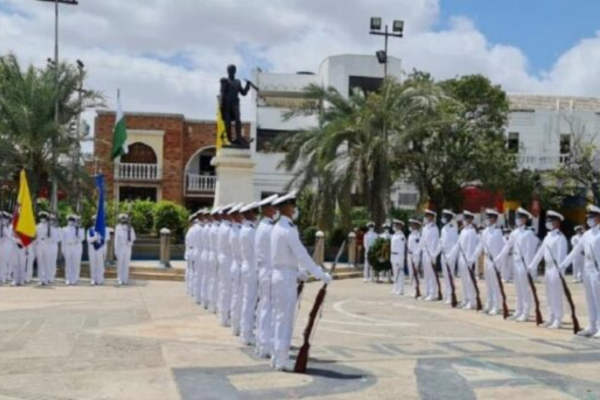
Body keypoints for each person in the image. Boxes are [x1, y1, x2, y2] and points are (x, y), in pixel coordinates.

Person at [270, 191, 332, 371]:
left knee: (278, 317)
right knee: (286, 319)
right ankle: (282, 360)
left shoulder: (276, 228)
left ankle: (276, 356)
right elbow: (302, 255)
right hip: (285, 277)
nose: (295, 210)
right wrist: (320, 274)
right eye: (294, 207)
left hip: (280, 274)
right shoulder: (288, 230)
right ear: (288, 208)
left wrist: (299, 272)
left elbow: (284, 256)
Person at [560, 205, 600, 337]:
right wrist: (564, 264)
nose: (589, 220)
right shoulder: (587, 234)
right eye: (588, 217)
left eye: (592, 217)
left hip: (598, 270)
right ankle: (592, 325)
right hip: (587, 270)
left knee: (598, 299)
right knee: (590, 298)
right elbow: (576, 250)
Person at [495, 208, 537, 322]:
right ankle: (519, 310)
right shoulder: (514, 233)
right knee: (518, 288)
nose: (518, 220)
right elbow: (507, 246)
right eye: (517, 217)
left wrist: (529, 266)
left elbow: (530, 251)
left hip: (524, 263)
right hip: (515, 261)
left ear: (525, 219)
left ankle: (526, 311)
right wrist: (499, 257)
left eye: (520, 217)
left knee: (525, 288)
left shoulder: (528, 233)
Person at [528, 210, 568, 329]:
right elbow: (540, 252)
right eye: (547, 220)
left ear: (557, 222)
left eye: (550, 221)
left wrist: (560, 272)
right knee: (549, 295)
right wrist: (532, 265)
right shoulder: (548, 236)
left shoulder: (561, 238)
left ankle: (558, 319)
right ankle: (550, 317)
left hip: (556, 269)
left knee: (556, 295)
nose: (548, 223)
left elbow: (562, 257)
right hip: (548, 268)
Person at [255, 194, 279, 358]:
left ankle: (261, 343)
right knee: (269, 308)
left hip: (262, 269)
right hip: (270, 270)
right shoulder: (269, 228)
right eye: (274, 207)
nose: (277, 210)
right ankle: (266, 344)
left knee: (263, 306)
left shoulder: (260, 226)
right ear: (269, 209)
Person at [471, 209, 505, 315]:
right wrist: (472, 258)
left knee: (495, 285)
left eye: (490, 218)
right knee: (488, 284)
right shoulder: (485, 231)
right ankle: (488, 305)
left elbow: (501, 248)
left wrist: (498, 261)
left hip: (494, 261)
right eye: (487, 218)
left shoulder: (498, 232)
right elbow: (480, 246)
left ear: (495, 219)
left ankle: (496, 306)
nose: (488, 220)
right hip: (486, 260)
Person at [449, 211, 479, 309]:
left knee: (469, 280)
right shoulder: (463, 231)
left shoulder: (472, 231)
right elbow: (458, 245)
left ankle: (472, 301)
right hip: (461, 259)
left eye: (466, 219)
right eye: (464, 219)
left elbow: (472, 246)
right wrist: (451, 255)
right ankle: (466, 299)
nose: (464, 221)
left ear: (470, 220)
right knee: (464, 281)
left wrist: (471, 259)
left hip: (468, 259)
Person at [239, 202, 259, 345]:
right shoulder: (250, 231)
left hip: (246, 265)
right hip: (252, 267)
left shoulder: (244, 229)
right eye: (255, 213)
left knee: (247, 299)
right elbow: (257, 252)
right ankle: (246, 333)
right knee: (250, 301)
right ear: (251, 214)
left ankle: (244, 331)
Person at [217, 204, 235, 326]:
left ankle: (223, 315)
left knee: (224, 287)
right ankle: (225, 316)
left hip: (223, 258)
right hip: (228, 259)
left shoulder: (222, 227)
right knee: (228, 289)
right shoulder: (228, 229)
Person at [229, 203, 245, 336]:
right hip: (240, 265)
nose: (242, 216)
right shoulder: (238, 231)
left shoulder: (234, 230)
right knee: (239, 297)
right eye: (239, 214)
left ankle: (235, 324)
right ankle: (237, 326)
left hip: (235, 264)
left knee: (236, 295)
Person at [438, 210, 459, 305]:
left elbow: (456, 244)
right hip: (444, 255)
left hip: (450, 255)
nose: (443, 218)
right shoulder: (443, 229)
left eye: (444, 216)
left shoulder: (453, 229)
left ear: (449, 218)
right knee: (445, 276)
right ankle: (446, 295)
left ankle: (451, 296)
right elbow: (441, 243)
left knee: (450, 276)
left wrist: (451, 255)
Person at [420, 209, 441, 301]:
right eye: (426, 216)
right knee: (426, 274)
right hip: (424, 253)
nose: (427, 217)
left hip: (431, 254)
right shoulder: (425, 228)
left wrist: (433, 255)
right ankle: (427, 292)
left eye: (429, 216)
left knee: (432, 274)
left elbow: (434, 242)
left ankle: (433, 293)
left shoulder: (434, 228)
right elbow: (422, 240)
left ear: (433, 217)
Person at [62, 214, 85, 286]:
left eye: (72, 220)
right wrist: (63, 249)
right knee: (68, 264)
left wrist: (79, 228)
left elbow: (82, 238)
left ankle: (75, 279)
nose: (70, 222)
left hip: (77, 247)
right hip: (68, 247)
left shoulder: (79, 228)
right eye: (69, 220)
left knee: (76, 263)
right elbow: (63, 240)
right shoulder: (64, 229)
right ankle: (68, 279)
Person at [114, 214, 136, 286]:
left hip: (127, 247)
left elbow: (133, 237)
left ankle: (125, 279)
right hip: (120, 247)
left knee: (126, 264)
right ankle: (119, 279)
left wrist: (130, 242)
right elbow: (116, 240)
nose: (123, 220)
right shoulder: (117, 228)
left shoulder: (130, 228)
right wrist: (116, 250)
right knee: (120, 264)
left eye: (124, 219)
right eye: (122, 219)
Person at [87, 215, 109, 286]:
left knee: (100, 265)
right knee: (93, 264)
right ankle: (93, 279)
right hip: (92, 249)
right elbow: (89, 240)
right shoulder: (90, 230)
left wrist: (105, 252)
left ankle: (100, 279)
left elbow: (105, 241)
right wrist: (95, 237)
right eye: (94, 221)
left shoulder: (104, 229)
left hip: (100, 249)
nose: (95, 222)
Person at [35, 211, 53, 286]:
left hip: (47, 244)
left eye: (44, 218)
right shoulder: (37, 226)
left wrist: (48, 238)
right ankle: (40, 279)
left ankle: (46, 279)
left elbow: (52, 237)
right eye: (41, 218)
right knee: (40, 262)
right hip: (39, 244)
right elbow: (35, 236)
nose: (42, 219)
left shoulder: (49, 227)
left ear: (46, 219)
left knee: (47, 262)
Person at [406, 219, 422, 297]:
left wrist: (415, 256)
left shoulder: (417, 235)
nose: (411, 226)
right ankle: (412, 289)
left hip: (415, 256)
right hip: (410, 255)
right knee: (411, 273)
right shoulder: (411, 234)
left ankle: (416, 289)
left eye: (413, 224)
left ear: (416, 226)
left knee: (415, 273)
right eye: (411, 224)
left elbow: (418, 248)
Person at [185, 212, 199, 297]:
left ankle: (190, 289)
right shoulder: (194, 230)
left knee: (190, 272)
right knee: (194, 272)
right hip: (194, 252)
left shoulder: (190, 230)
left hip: (190, 252)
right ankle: (192, 290)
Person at [390, 219, 406, 295]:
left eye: (396, 225)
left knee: (400, 273)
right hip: (393, 255)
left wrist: (401, 259)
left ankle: (401, 289)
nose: (394, 226)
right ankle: (395, 287)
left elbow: (401, 249)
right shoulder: (394, 235)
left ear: (400, 226)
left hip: (398, 256)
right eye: (394, 225)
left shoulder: (401, 236)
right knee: (395, 273)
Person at [0, 211, 13, 284]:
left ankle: (3, 277)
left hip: (5, 245)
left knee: (4, 262)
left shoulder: (5, 227)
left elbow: (8, 236)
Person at [48, 213, 60, 283]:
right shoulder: (46, 227)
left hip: (53, 245)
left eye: (53, 219)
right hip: (46, 245)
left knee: (52, 261)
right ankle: (46, 276)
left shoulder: (57, 228)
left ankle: (52, 276)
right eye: (50, 219)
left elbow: (59, 238)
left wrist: (53, 240)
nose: (51, 221)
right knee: (46, 261)